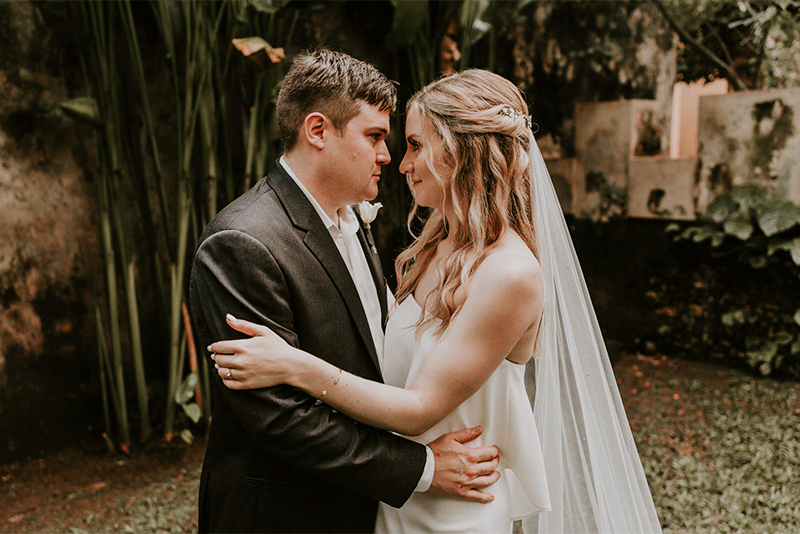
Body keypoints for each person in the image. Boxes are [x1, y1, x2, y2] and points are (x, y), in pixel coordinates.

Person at [211, 68, 664, 533]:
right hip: (396, 500)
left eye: (414, 144)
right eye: (388, 140)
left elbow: (420, 407)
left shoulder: (511, 273)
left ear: (461, 151)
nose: (399, 163)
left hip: (457, 504)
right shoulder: (436, 240)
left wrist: (293, 365)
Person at [188, 50, 503, 534]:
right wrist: (422, 468)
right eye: (375, 136)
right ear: (318, 131)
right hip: (285, 516)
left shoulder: (350, 216)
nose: (388, 156)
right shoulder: (242, 243)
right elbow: (281, 419)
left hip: (360, 507)